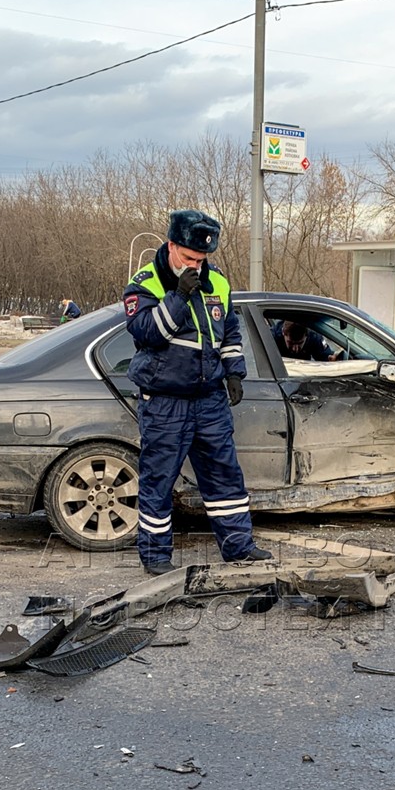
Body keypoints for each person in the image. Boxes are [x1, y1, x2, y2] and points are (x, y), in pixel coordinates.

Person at [123, 209, 271, 576]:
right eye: (189, 258)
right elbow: (148, 333)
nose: (196, 265)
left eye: (202, 259)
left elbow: (230, 332)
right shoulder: (145, 283)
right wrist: (178, 295)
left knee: (225, 476)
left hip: (209, 399)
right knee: (158, 480)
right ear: (171, 246)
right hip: (165, 400)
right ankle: (156, 557)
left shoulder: (217, 281)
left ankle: (238, 547)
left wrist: (234, 371)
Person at [272, 318, 339, 362]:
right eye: (291, 343)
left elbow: (327, 358)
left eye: (300, 343)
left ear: (307, 336)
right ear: (283, 333)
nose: (295, 349)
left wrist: (331, 359)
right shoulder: (271, 338)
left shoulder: (313, 336)